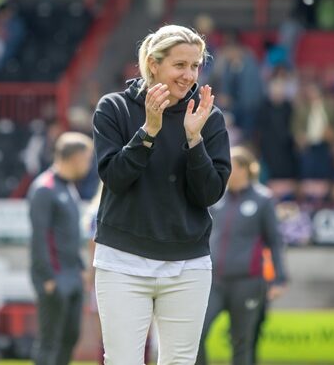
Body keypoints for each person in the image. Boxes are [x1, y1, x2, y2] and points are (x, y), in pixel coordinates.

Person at [92, 24, 232, 364]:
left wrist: (194, 140)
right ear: (153, 64)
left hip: (188, 263)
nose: (189, 75)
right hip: (122, 260)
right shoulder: (114, 108)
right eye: (179, 65)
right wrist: (148, 132)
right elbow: (115, 177)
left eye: (195, 65)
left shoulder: (207, 117)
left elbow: (209, 193)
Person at [196, 146, 287, 365]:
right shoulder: (217, 198)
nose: (228, 171)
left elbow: (274, 241)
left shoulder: (262, 200)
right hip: (215, 281)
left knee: (242, 342)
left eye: (233, 167)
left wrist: (279, 278)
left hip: (248, 282)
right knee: (196, 333)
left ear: (246, 169)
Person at [27, 132, 94, 365]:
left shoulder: (69, 188)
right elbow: (39, 236)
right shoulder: (44, 188)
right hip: (54, 276)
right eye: (86, 159)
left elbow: (70, 236)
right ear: (75, 157)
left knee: (70, 338)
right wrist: (47, 277)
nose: (88, 165)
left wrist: (81, 268)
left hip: (72, 275)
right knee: (49, 341)